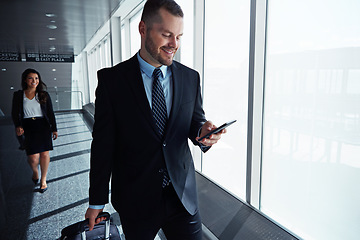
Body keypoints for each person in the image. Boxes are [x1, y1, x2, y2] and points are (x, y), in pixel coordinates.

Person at [85, 0, 226, 239]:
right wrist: (97, 201)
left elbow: (194, 123)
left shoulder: (190, 78)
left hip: (182, 197)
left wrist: (205, 132)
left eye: (179, 36)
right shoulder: (113, 81)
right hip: (136, 198)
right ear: (142, 29)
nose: (174, 44)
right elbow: (103, 145)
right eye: (167, 35)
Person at [11, 68, 58, 193]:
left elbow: (50, 112)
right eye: (31, 78)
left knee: (44, 154)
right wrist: (18, 125)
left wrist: (54, 129)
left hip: (43, 126)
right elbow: (15, 113)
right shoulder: (18, 95)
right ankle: (35, 172)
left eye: (36, 78)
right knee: (32, 158)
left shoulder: (43, 95)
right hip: (28, 126)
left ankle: (43, 180)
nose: (34, 81)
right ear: (25, 80)